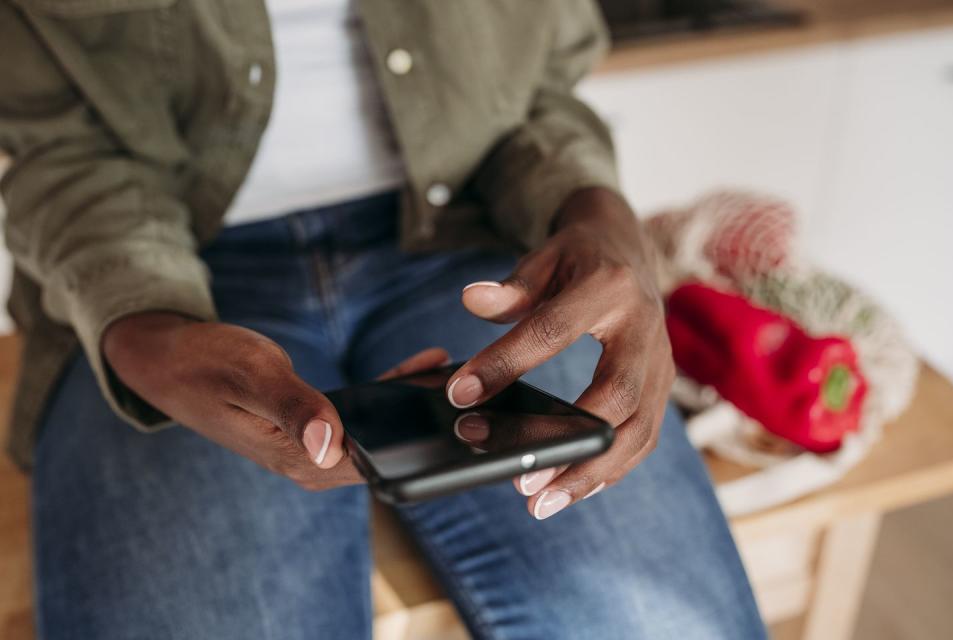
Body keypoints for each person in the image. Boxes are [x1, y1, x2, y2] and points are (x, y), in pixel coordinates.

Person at [0, 1, 766, 638]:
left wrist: (603, 217)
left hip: (472, 251)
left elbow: (539, 88)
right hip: (161, 266)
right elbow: (55, 147)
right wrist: (144, 333)